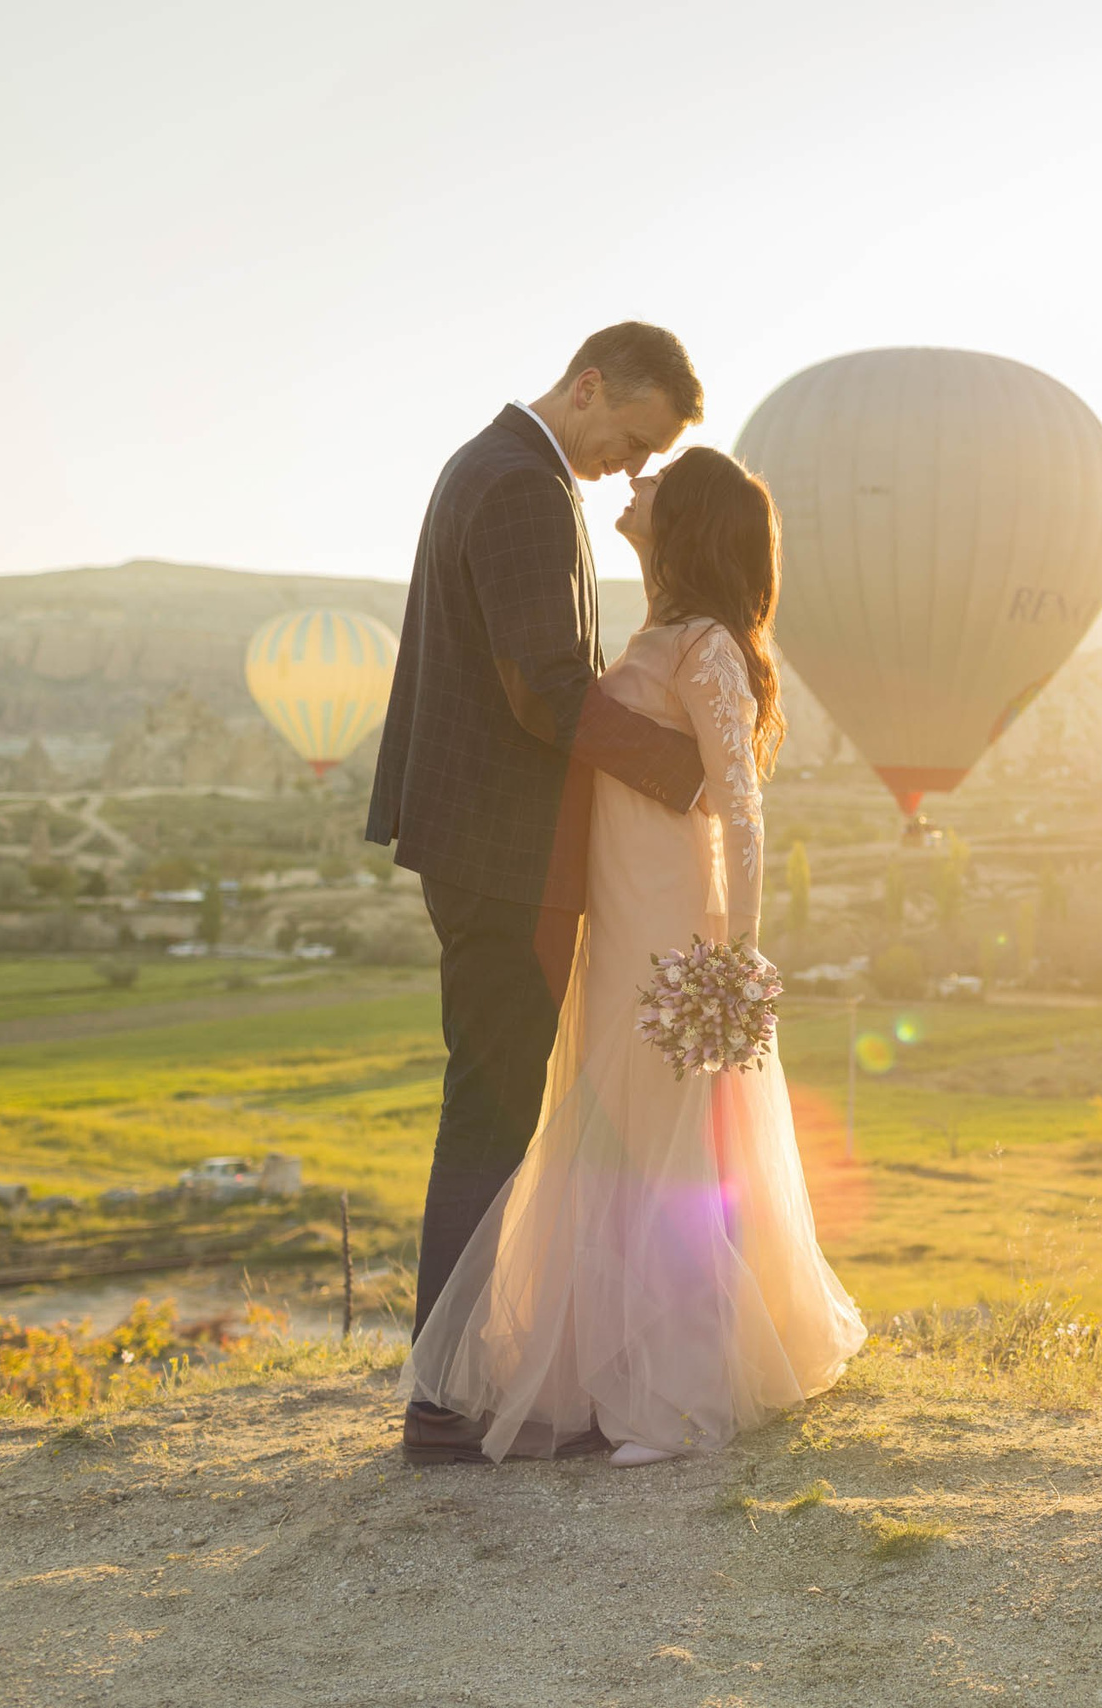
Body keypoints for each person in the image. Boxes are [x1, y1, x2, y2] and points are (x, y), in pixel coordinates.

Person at [399, 446, 866, 1465]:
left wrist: (732, 961)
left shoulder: (704, 644)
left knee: (665, 1153)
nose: (635, 482)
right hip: (619, 919)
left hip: (671, 928)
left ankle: (680, 1398)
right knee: (612, 1145)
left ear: (688, 517)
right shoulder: (666, 629)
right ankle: (615, 1375)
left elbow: (743, 812)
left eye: (660, 480)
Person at [367, 323, 711, 1464]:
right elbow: (543, 687)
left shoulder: (498, 466)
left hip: (485, 846)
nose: (629, 467)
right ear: (590, 383)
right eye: (632, 436)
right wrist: (679, 771)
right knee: (493, 1112)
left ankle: (467, 1383)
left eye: (650, 454)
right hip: (505, 854)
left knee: (499, 1105)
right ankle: (446, 1403)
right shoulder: (519, 485)